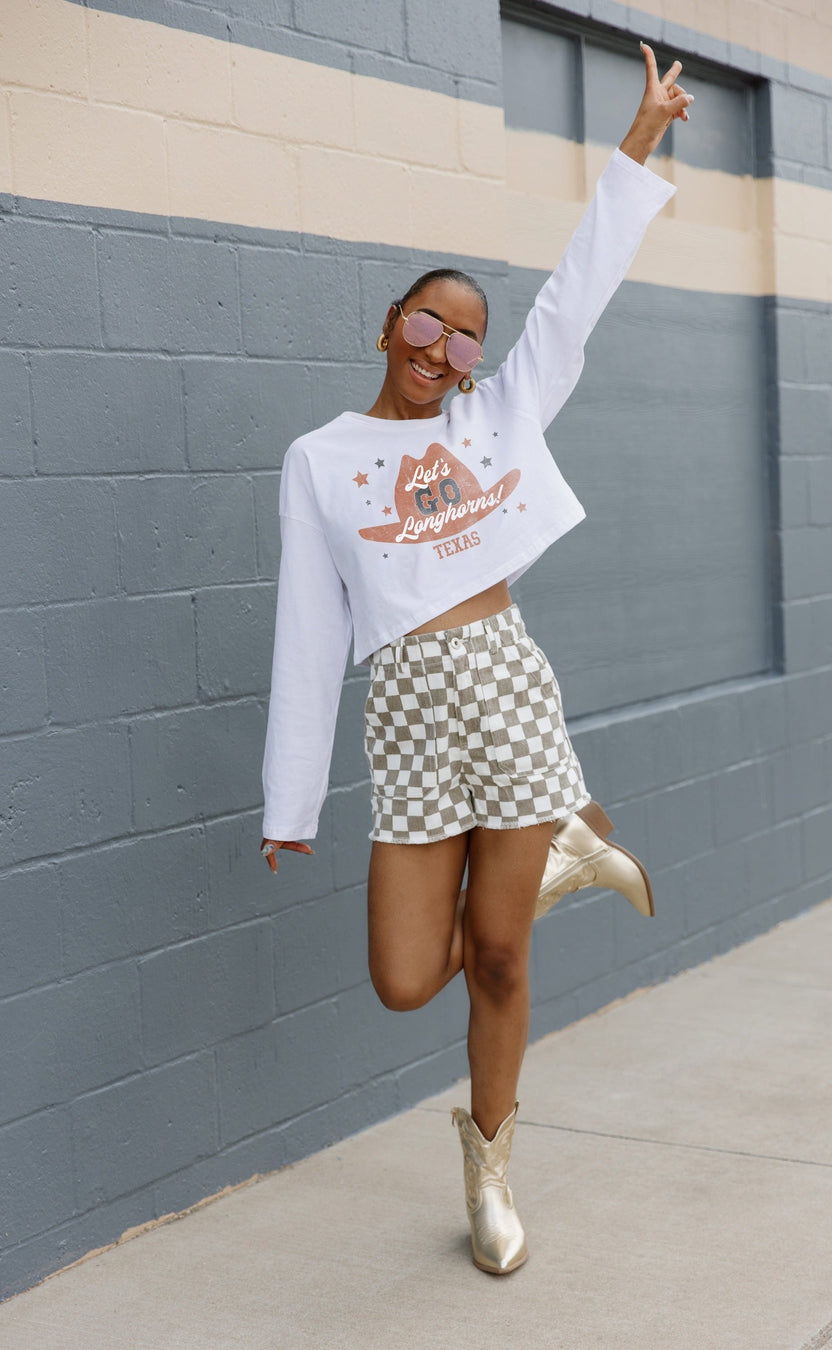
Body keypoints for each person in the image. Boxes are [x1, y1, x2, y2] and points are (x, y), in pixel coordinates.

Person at [260, 44, 692, 1275]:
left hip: (503, 687)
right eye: (425, 320)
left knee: (494, 957)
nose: (443, 345)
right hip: (405, 719)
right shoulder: (320, 459)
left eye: (465, 337)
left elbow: (575, 296)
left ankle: (492, 1174)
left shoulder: (494, 417)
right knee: (407, 976)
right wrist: (291, 797)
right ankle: (563, 855)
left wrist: (641, 136)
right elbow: (308, 628)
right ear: (387, 325)